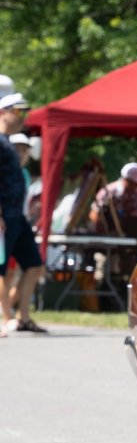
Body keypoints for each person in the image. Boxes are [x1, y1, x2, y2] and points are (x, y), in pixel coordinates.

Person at [0, 92, 46, 333]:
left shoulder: (8, 142)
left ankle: (23, 317)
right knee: (0, 267)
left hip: (17, 216)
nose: (21, 117)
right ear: (2, 112)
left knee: (34, 264)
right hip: (3, 216)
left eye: (23, 112)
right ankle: (3, 317)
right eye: (16, 111)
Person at [92, 161, 137, 229]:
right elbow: (95, 214)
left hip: (133, 234)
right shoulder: (108, 192)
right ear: (126, 180)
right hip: (109, 233)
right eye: (134, 183)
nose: (136, 185)